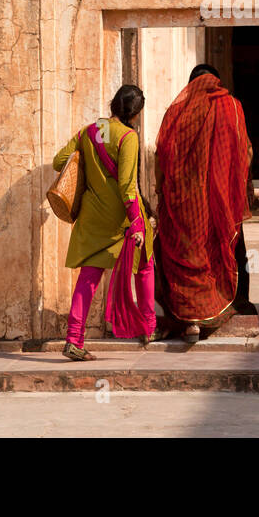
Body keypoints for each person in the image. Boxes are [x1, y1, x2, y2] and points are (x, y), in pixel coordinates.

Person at [52, 84, 156, 361]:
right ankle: (147, 327)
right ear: (136, 114)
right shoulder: (128, 137)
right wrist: (137, 223)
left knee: (88, 279)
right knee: (144, 265)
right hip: (120, 218)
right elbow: (127, 187)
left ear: (113, 105)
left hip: (92, 217)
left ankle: (74, 339)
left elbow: (58, 161)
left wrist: (87, 159)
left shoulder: (89, 131)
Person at [154, 63, 254, 342]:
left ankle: (185, 316)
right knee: (230, 250)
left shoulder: (176, 112)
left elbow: (161, 155)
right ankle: (235, 303)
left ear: (189, 85)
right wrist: (236, 188)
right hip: (221, 202)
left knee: (185, 255)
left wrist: (162, 194)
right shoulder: (231, 106)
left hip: (184, 204)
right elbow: (244, 150)